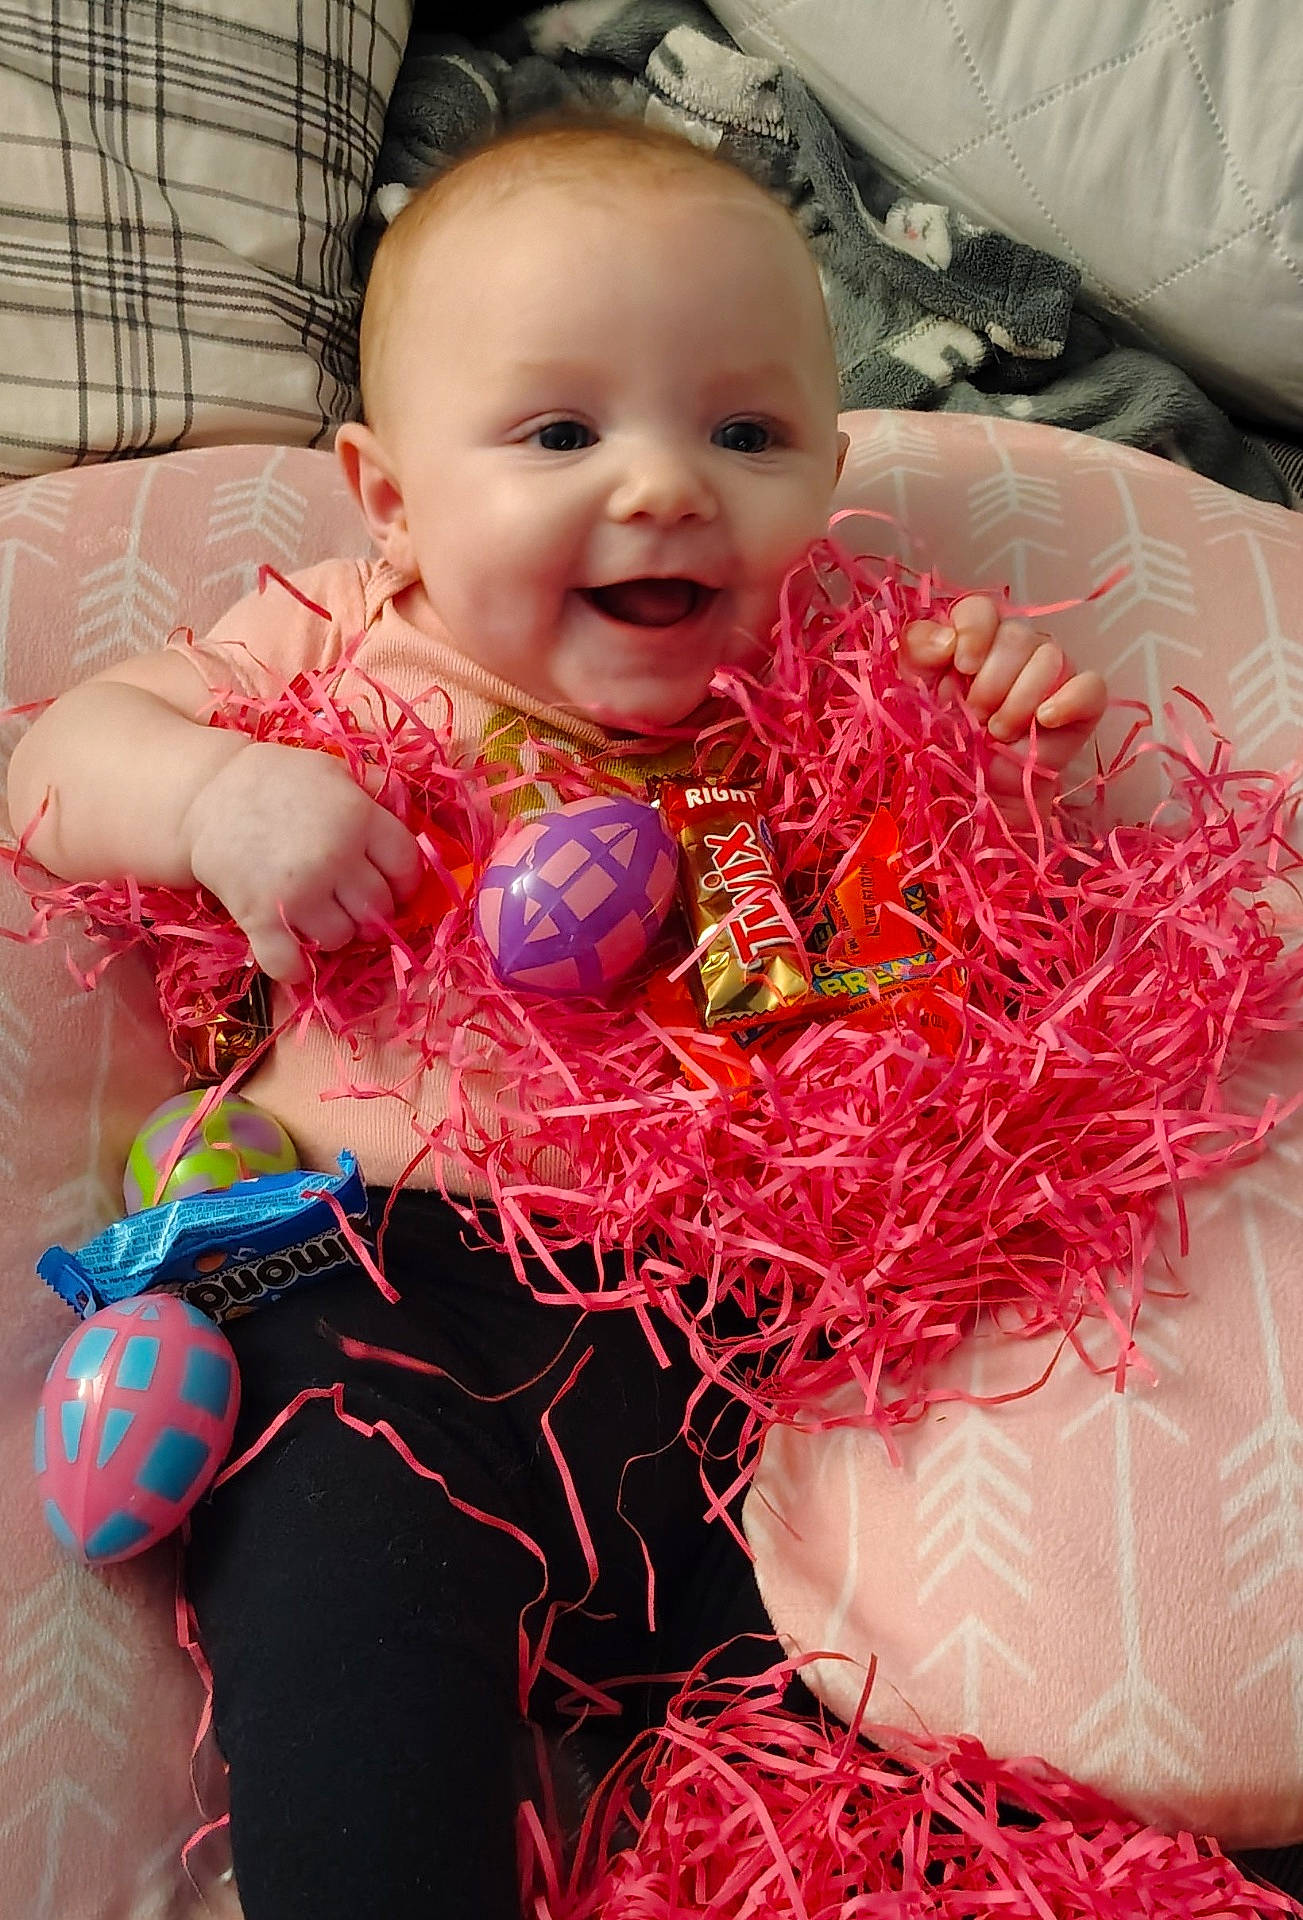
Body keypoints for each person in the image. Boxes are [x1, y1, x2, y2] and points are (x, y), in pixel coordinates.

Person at [8, 118, 1108, 1920]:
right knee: (349, 1619)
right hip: (379, 1292)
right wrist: (216, 801)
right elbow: (54, 767)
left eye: (745, 435)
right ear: (390, 499)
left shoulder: (840, 675)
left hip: (748, 1354)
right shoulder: (346, 638)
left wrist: (1005, 783)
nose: (669, 486)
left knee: (925, 1756)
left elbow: (979, 1001)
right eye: (560, 434)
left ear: (830, 474)